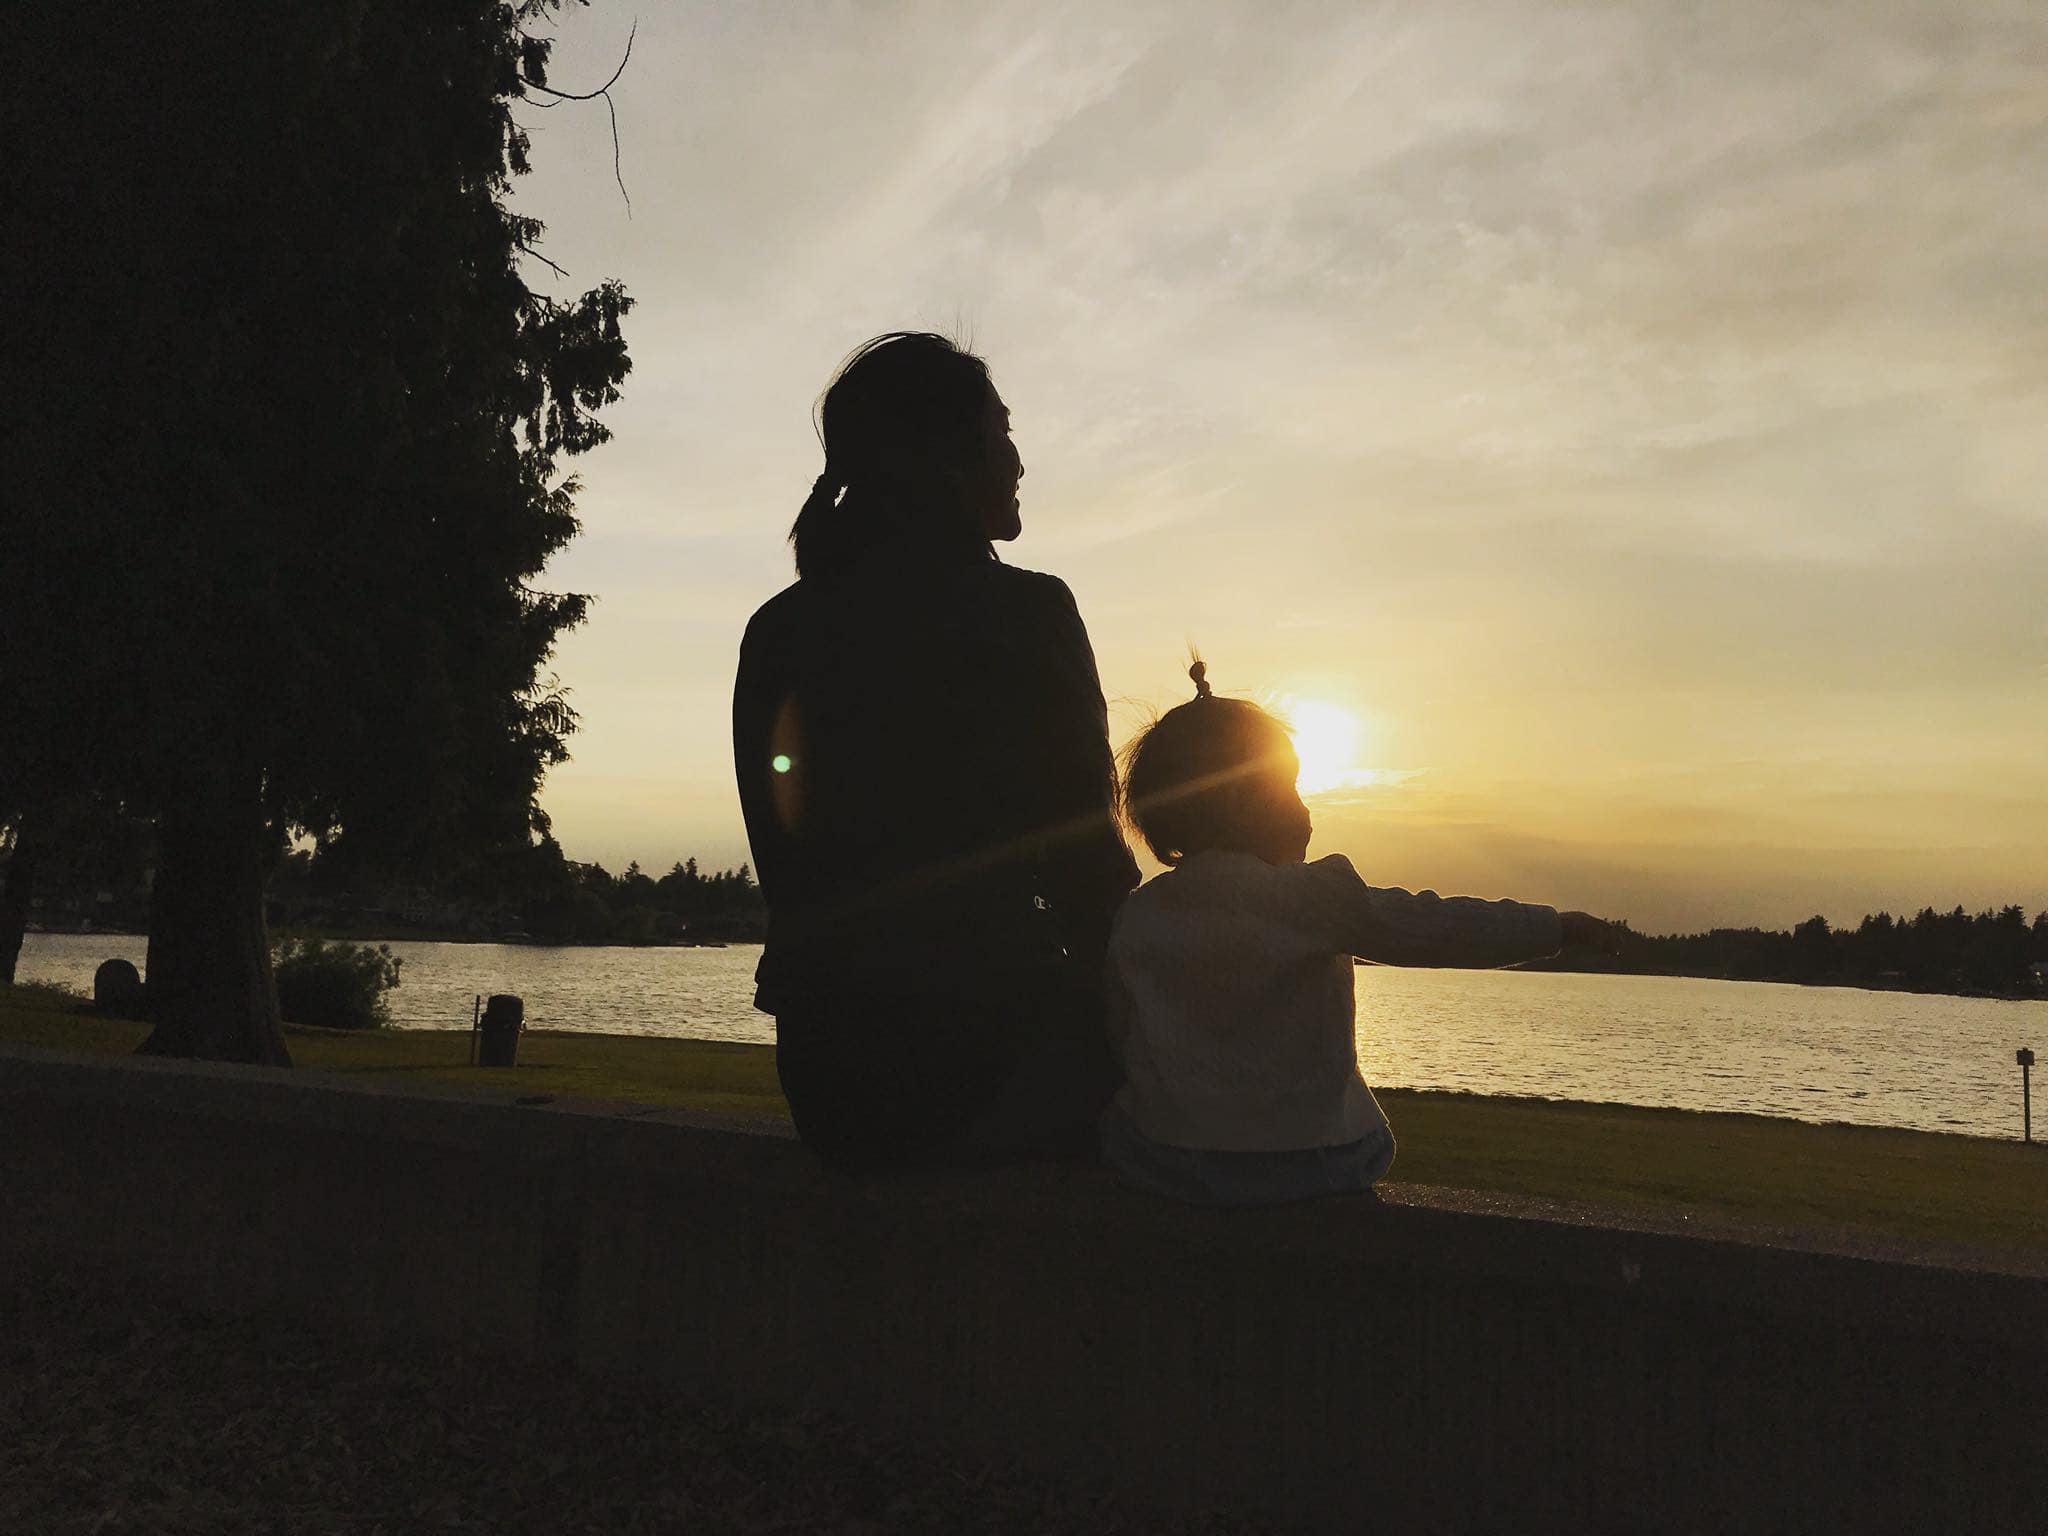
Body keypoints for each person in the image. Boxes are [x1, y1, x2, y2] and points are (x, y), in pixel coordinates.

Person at [733, 333, 1139, 1167]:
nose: (1018, 460)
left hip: (829, 1080)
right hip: (999, 1063)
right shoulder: (1028, 612)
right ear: (946, 458)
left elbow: (786, 859)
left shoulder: (778, 628)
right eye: (1002, 431)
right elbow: (1088, 864)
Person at [1101, 659, 1610, 1206]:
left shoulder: (1139, 914)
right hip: (1317, 1160)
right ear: (1247, 804)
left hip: (1174, 1161)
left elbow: (1122, 1026)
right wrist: (1554, 927)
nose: (1305, 809)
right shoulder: (1313, 898)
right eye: (1289, 788)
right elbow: (1435, 927)